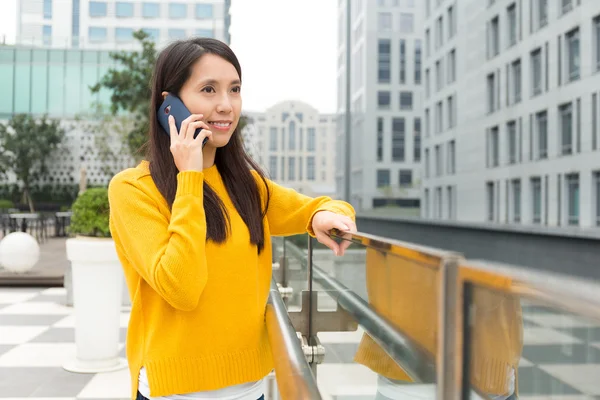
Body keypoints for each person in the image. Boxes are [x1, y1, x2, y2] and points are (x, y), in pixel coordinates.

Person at [107, 37, 357, 400]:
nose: (226, 105)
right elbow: (182, 288)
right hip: (173, 392)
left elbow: (323, 206)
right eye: (209, 89)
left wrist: (323, 215)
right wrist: (189, 177)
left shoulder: (245, 185)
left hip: (250, 388)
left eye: (235, 89)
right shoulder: (133, 189)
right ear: (169, 106)